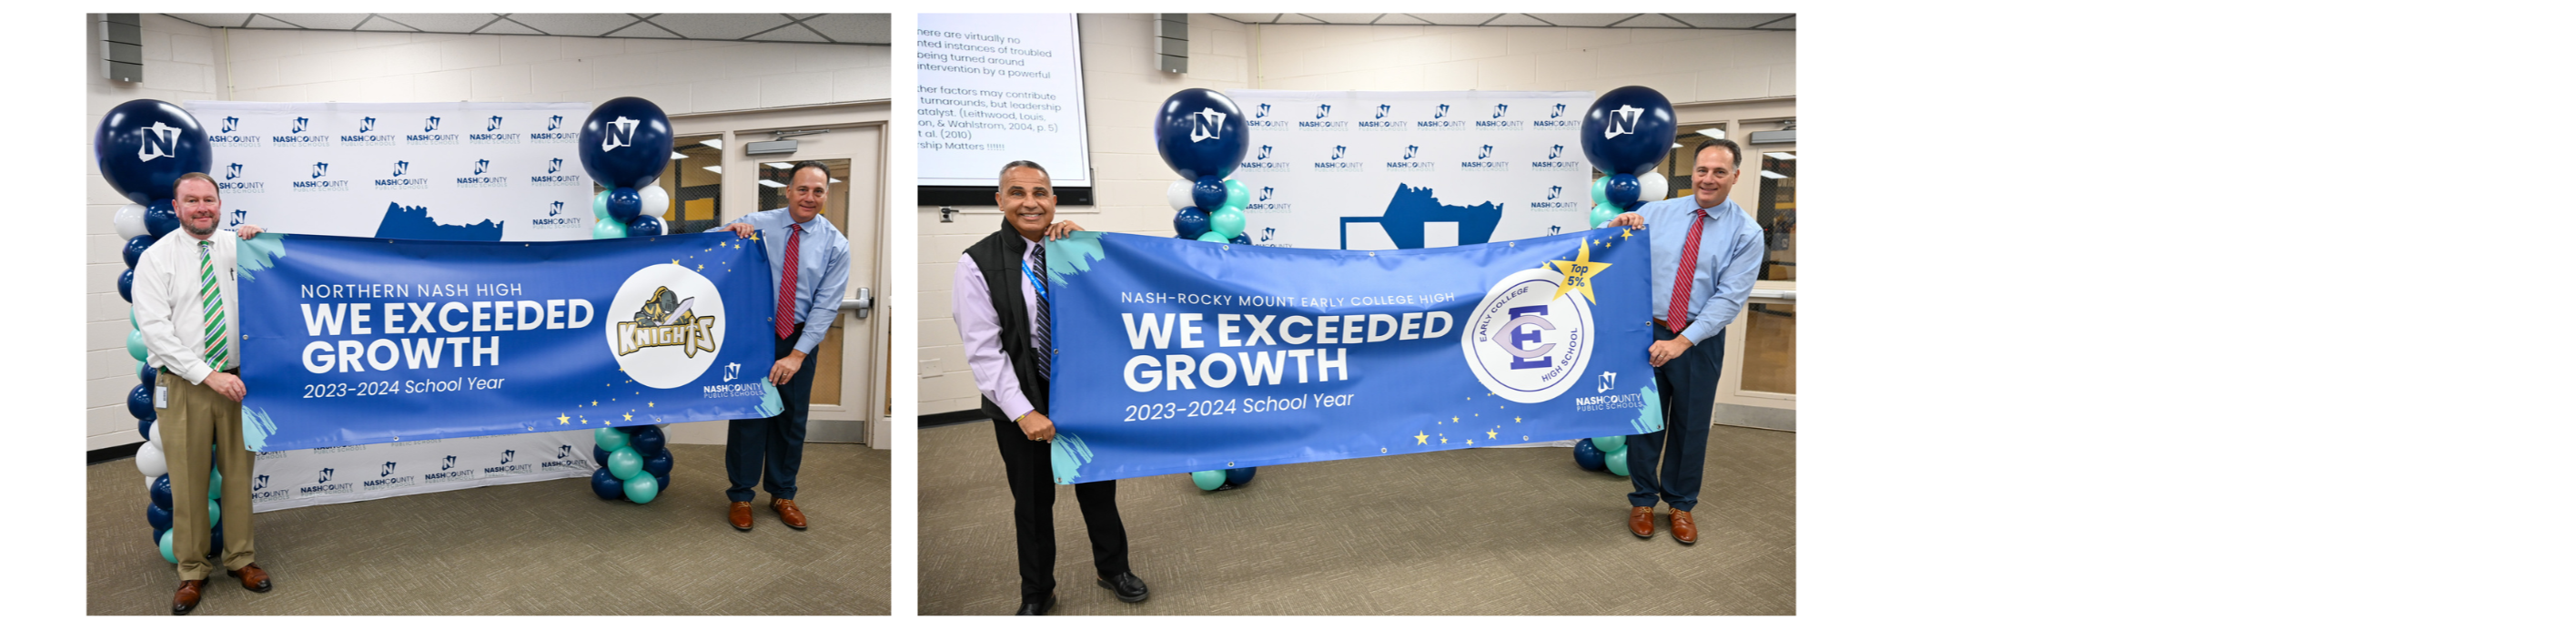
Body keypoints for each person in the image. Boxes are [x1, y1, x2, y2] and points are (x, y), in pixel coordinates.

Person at [951, 159, 1147, 615]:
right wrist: (1024, 412)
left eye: (1040, 193)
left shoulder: (1080, 248)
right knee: (1034, 503)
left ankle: (1112, 568)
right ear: (999, 201)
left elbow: (1117, 307)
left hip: (1084, 396)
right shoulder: (976, 262)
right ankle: (1037, 591)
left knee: (1098, 488)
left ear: (1054, 201)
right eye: (1017, 193)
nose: (1029, 202)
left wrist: (1088, 247)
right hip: (1021, 399)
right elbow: (983, 351)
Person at [1603, 139, 1764, 545]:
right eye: (1702, 170)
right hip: (1648, 331)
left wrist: (1683, 342)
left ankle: (1681, 504)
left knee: (1691, 426)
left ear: (1735, 177)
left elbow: (1729, 297)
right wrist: (1616, 227)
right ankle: (1642, 500)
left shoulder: (1746, 232)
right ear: (1691, 173)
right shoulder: (1654, 213)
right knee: (1644, 420)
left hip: (1699, 338)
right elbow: (1611, 254)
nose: (1708, 179)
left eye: (1719, 172)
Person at [131, 173, 271, 614]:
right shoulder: (156, 259)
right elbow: (156, 334)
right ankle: (191, 571)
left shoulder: (238, 246)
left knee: (237, 476)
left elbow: (275, 287)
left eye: (208, 199)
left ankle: (241, 559)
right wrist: (209, 376)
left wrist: (264, 242)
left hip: (239, 381)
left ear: (220, 203)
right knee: (188, 482)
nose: (201, 208)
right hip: (186, 384)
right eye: (191, 201)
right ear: (176, 207)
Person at [710, 161, 851, 532]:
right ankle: (741, 496)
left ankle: (783, 494)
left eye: (818, 191)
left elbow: (825, 305)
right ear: (787, 190)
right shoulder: (757, 222)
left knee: (790, 419)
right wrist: (726, 232)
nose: (810, 197)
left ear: (826, 195)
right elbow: (705, 246)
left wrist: (797, 355)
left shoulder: (835, 243)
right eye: (803, 189)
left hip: (798, 337)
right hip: (753, 335)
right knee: (749, 415)